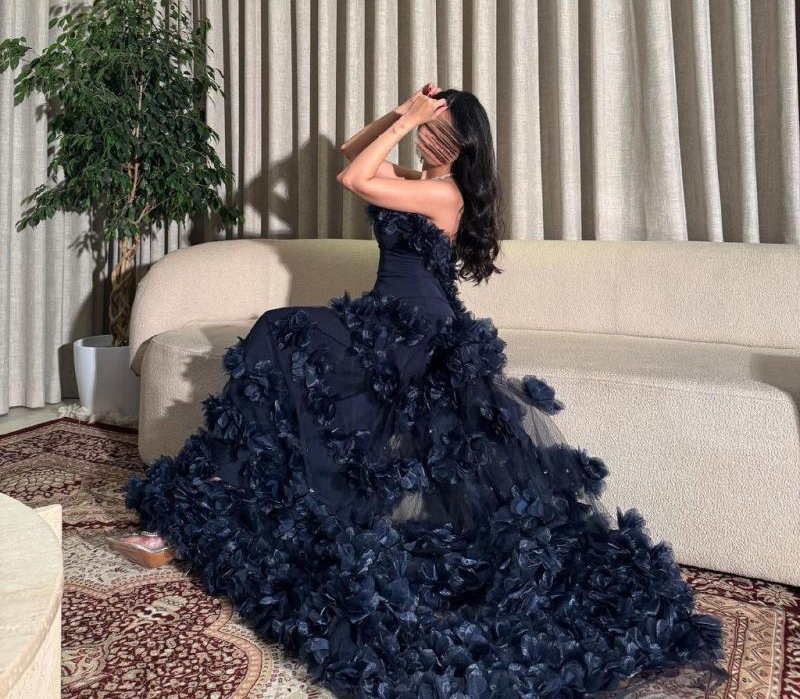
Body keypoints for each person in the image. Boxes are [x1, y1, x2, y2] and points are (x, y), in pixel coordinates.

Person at [113, 84, 728, 697]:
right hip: (384, 319)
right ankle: (211, 501)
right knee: (282, 361)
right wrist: (402, 114)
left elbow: (353, 178)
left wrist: (408, 121)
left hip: (413, 331)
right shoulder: (419, 177)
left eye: (441, 133)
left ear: (463, 145)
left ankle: (207, 506)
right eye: (429, 129)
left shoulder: (444, 192)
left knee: (279, 331)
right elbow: (352, 153)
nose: (429, 140)